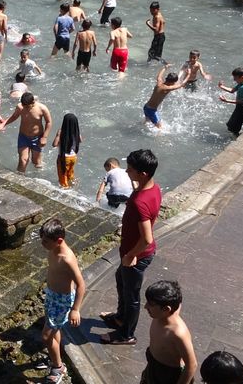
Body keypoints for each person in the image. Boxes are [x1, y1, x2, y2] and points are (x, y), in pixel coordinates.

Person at [99, 149, 161, 346]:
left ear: (143, 174)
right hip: (134, 252)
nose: (126, 172)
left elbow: (147, 239)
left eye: (131, 170)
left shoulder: (138, 202)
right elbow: (154, 218)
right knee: (121, 280)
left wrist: (132, 255)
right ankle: (120, 317)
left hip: (136, 255)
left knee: (132, 296)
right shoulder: (153, 189)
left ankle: (126, 334)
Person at [38, 218, 85, 383]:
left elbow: (81, 285)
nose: (42, 244)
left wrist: (75, 309)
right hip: (52, 295)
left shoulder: (67, 259)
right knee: (53, 330)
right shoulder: (53, 249)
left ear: (59, 240)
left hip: (61, 301)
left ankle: (58, 368)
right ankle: (54, 358)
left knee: (45, 336)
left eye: (45, 241)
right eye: (41, 239)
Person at [140, 280, 198, 384]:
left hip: (167, 375)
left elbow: (191, 365)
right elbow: (178, 303)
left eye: (150, 305)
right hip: (153, 364)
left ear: (166, 309)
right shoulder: (161, 314)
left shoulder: (178, 334)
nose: (145, 307)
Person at [0, 92, 52, 172]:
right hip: (23, 137)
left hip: (37, 138)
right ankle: (19, 178)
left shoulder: (42, 108)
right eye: (24, 106)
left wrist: (44, 137)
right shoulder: (20, 107)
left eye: (27, 106)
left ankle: (37, 179)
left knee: (36, 163)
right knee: (23, 161)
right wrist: (3, 124)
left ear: (33, 102)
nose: (25, 108)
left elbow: (49, 122)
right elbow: (14, 116)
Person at [143, 65, 186, 129]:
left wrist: (165, 67)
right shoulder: (167, 88)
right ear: (172, 82)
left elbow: (159, 76)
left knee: (146, 123)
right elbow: (181, 85)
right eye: (174, 82)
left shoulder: (159, 83)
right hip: (151, 110)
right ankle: (159, 139)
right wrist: (188, 75)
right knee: (160, 128)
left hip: (146, 107)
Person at [217, 67, 243, 137]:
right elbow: (232, 90)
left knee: (235, 128)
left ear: (242, 77)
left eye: (235, 78)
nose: (234, 80)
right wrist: (221, 86)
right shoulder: (242, 83)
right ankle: (233, 137)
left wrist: (226, 101)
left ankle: (236, 139)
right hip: (240, 107)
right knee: (231, 125)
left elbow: (240, 101)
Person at [52, 113, 82, 189]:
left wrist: (58, 135)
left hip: (64, 158)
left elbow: (54, 144)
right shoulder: (76, 132)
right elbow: (80, 140)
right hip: (73, 157)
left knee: (63, 176)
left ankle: (65, 189)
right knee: (70, 173)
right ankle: (73, 185)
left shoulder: (61, 132)